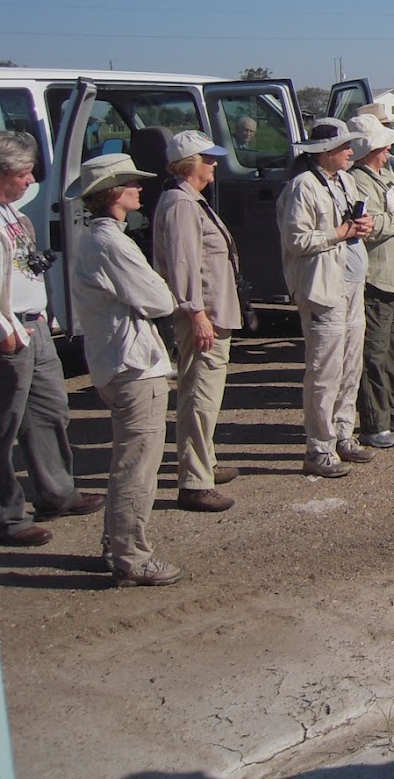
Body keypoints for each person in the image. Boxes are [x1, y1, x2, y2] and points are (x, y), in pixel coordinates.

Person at [0, 131, 103, 548]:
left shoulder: (7, 209)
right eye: (24, 173)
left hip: (33, 326)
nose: (32, 180)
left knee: (49, 412)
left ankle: (57, 493)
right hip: (5, 333)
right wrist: (3, 333)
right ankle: (7, 517)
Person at [66, 154, 183, 587]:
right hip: (133, 365)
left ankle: (115, 544)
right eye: (131, 183)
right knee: (138, 465)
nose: (139, 188)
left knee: (129, 459)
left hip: (117, 361)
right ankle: (131, 555)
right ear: (113, 192)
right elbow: (159, 300)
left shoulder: (98, 239)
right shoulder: (111, 244)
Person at [277, 118, 376, 477]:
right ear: (324, 152)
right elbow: (296, 240)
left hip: (351, 285)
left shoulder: (345, 180)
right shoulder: (303, 186)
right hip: (323, 287)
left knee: (350, 365)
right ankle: (319, 447)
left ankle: (343, 435)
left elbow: (351, 225)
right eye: (344, 146)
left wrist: (364, 226)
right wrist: (341, 232)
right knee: (324, 371)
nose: (351, 151)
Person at [151, 129, 242, 513]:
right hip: (203, 316)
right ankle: (194, 481)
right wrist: (197, 314)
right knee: (199, 395)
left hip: (211, 312)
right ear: (190, 165)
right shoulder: (182, 205)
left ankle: (205, 463)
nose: (215, 164)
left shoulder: (189, 201)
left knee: (206, 393)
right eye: (208, 159)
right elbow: (183, 264)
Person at [347, 114, 394, 449]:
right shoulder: (358, 181)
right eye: (384, 145)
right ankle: (374, 421)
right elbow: (372, 226)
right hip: (376, 277)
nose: (390, 150)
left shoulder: (388, 173)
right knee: (374, 354)